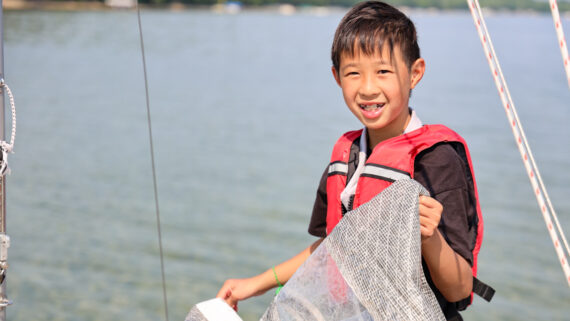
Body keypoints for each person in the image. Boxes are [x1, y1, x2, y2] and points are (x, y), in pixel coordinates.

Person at [217, 1, 491, 319]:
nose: (368, 88)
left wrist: (430, 239)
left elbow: (459, 289)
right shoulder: (347, 155)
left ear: (414, 73)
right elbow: (332, 248)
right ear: (337, 78)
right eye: (353, 73)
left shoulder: (436, 162)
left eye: (383, 71)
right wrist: (255, 284)